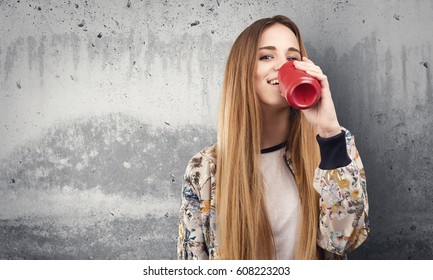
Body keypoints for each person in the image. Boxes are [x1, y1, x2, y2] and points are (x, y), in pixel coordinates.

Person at [177, 15, 369, 260]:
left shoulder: (333, 149)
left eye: (292, 58)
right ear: (243, 72)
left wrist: (329, 130)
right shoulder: (205, 169)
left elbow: (345, 240)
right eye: (267, 56)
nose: (282, 65)